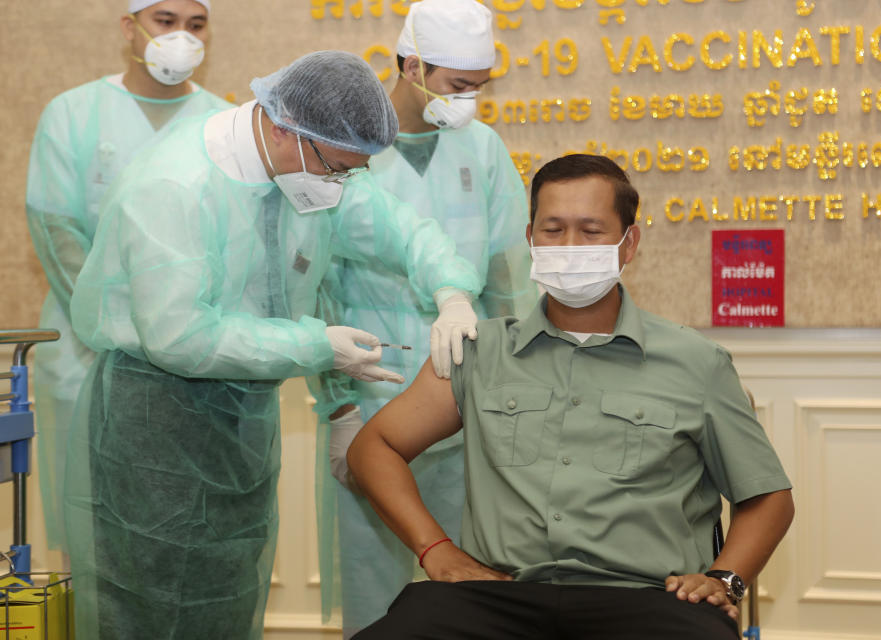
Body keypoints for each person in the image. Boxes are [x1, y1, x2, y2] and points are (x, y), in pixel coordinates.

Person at [62, 50, 483, 640]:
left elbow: (401, 230)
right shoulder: (174, 185)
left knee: (231, 592)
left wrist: (453, 292)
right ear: (288, 128)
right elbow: (178, 335)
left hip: (242, 416)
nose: (341, 182)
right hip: (155, 419)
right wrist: (317, 346)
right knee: (151, 602)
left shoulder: (310, 170)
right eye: (338, 167)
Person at [347, 154, 795, 639]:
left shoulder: (697, 362)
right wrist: (435, 549)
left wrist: (723, 579)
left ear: (629, 244)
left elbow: (769, 497)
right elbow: (374, 447)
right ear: (530, 240)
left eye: (591, 230)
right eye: (554, 230)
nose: (570, 246)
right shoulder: (479, 352)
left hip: (648, 600)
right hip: (498, 597)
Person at [312, 0, 537, 635]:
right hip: (370, 389)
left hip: (466, 394)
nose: (469, 101)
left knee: (467, 575)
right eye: (457, 86)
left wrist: (514, 384)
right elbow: (315, 286)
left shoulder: (482, 148)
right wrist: (336, 405)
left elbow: (507, 278)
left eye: (479, 88)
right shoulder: (346, 148)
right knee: (374, 581)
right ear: (411, 65)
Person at [25, 0, 230, 561]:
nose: (181, 37)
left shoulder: (223, 123)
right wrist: (120, 331)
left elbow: (233, 245)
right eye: (165, 21)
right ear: (130, 28)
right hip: (85, 354)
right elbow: (56, 231)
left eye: (196, 24)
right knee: (92, 534)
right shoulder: (73, 113)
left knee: (186, 532)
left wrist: (174, 335)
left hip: (192, 368)